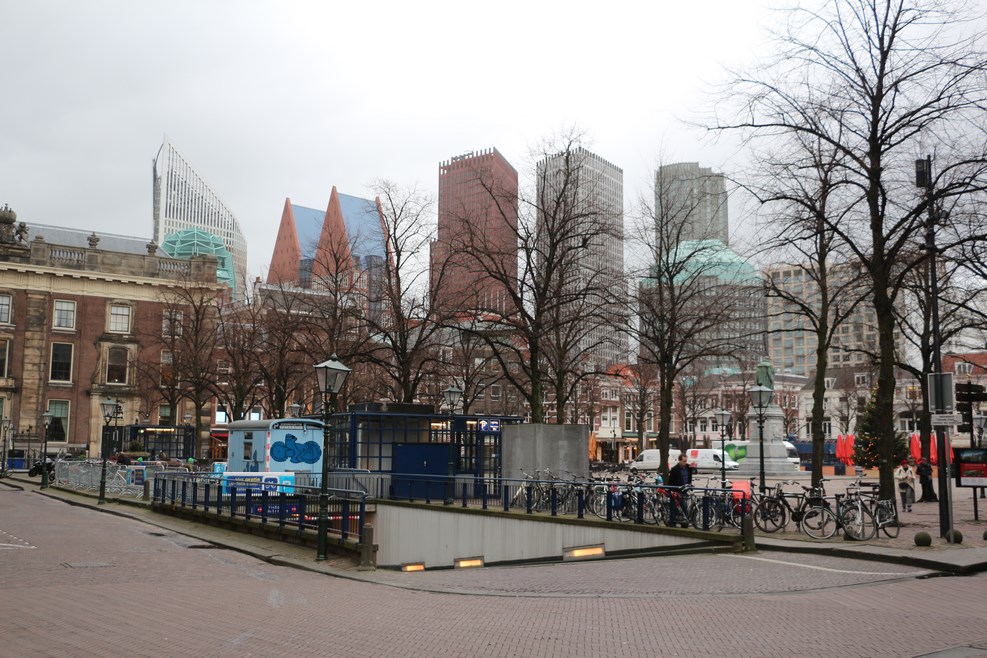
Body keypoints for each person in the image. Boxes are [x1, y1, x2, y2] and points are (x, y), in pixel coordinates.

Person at [667, 453, 693, 526]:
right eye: (684, 461)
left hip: (685, 490)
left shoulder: (688, 467)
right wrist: (672, 490)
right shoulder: (675, 469)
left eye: (686, 461)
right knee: (683, 506)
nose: (685, 463)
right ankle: (682, 523)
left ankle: (676, 521)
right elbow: (671, 481)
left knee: (682, 506)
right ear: (680, 461)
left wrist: (689, 485)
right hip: (677, 490)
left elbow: (689, 476)